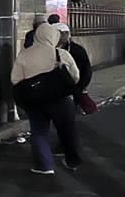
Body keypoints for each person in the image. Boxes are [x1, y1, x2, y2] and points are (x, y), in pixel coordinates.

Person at [11, 23, 81, 174]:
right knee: (67, 131)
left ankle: (44, 165)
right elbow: (75, 76)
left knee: (39, 132)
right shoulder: (61, 54)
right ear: (54, 36)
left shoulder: (24, 54)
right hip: (61, 99)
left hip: (35, 101)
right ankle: (71, 161)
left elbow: (15, 79)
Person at [55, 23, 94, 111]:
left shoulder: (77, 50)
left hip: (74, 87)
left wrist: (80, 87)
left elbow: (86, 70)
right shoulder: (50, 50)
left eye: (65, 33)